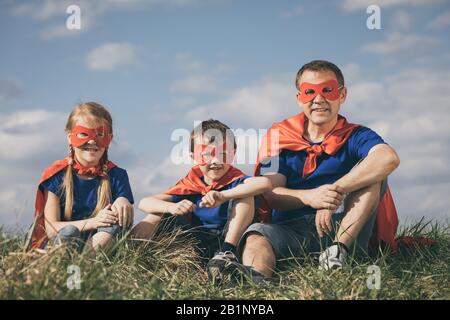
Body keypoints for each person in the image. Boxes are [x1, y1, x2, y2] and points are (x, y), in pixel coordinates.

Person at [237, 60, 400, 280]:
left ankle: (336, 254)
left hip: (343, 227)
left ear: (342, 95)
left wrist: (334, 191)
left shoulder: (356, 135)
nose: (318, 99)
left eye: (327, 90)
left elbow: (387, 158)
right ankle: (258, 287)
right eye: (309, 92)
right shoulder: (278, 137)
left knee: (373, 176)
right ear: (299, 99)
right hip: (290, 231)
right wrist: (311, 197)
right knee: (256, 235)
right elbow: (270, 193)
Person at [132, 119, 272, 282]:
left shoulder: (235, 179)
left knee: (245, 193)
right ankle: (131, 254)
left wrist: (223, 195)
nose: (215, 161)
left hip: (232, 240)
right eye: (206, 154)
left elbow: (264, 183)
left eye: (223, 154)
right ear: (193, 156)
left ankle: (227, 253)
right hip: (198, 240)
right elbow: (145, 203)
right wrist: (172, 207)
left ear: (233, 153)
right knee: (156, 213)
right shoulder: (190, 183)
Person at [30, 102, 134, 253]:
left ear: (109, 138)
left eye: (100, 134)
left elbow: (121, 218)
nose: (92, 141)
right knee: (69, 231)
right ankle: (65, 261)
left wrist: (122, 200)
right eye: (84, 134)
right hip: (64, 243)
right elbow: (51, 229)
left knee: (114, 221)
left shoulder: (117, 175)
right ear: (70, 136)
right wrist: (93, 222)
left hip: (100, 246)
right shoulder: (56, 175)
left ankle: (85, 262)